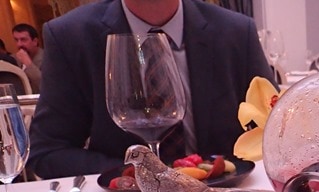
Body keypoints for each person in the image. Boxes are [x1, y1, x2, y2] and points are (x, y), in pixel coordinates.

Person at [28, 0, 274, 179]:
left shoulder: (236, 32)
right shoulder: (72, 37)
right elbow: (48, 152)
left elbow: (277, 131)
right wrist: (137, 174)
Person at [12, 23, 44, 93]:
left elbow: (46, 85)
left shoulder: (48, 58)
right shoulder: (13, 59)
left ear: (35, 41)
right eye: (16, 40)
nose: (19, 44)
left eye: (23, 40)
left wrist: (28, 64)